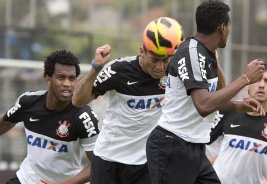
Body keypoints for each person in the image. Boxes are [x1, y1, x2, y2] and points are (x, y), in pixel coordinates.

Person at [145, 1, 266, 184]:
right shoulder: (191, 53)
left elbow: (208, 99)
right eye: (229, 26)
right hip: (172, 146)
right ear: (223, 27)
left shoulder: (207, 54)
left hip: (192, 147)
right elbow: (203, 105)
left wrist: (236, 105)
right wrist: (245, 79)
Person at [72, 17, 184, 184]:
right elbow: (77, 101)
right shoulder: (119, 70)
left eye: (165, 60)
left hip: (146, 163)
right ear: (142, 51)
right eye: (155, 60)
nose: (160, 67)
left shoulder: (175, 72)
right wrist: (96, 67)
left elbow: (215, 91)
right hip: (108, 159)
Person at [0, 49, 100, 184]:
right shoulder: (28, 101)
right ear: (48, 78)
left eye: (72, 78)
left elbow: (98, 164)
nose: (67, 84)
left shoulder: (84, 117)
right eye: (61, 77)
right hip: (26, 179)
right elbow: (5, 123)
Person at [207, 61, 267, 184]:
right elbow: (204, 152)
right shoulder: (228, 111)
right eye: (257, 80)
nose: (261, 85)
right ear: (247, 85)